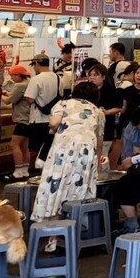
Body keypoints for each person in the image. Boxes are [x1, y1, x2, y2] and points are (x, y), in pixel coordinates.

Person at [31, 81, 104, 238]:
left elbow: (54, 122)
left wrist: (54, 128)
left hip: (63, 151)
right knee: (77, 189)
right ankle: (74, 232)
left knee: (56, 187)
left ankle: (52, 235)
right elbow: (99, 142)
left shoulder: (64, 103)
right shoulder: (97, 111)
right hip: (85, 154)